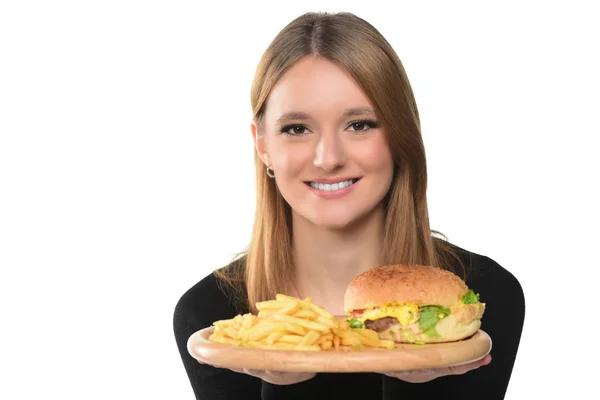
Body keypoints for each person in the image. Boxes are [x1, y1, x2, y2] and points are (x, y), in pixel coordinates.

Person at [173, 11, 525, 400]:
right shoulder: (210, 314)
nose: (328, 158)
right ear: (263, 146)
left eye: (359, 124)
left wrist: (414, 383)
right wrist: (284, 384)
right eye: (296, 128)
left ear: (400, 134)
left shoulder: (485, 293)